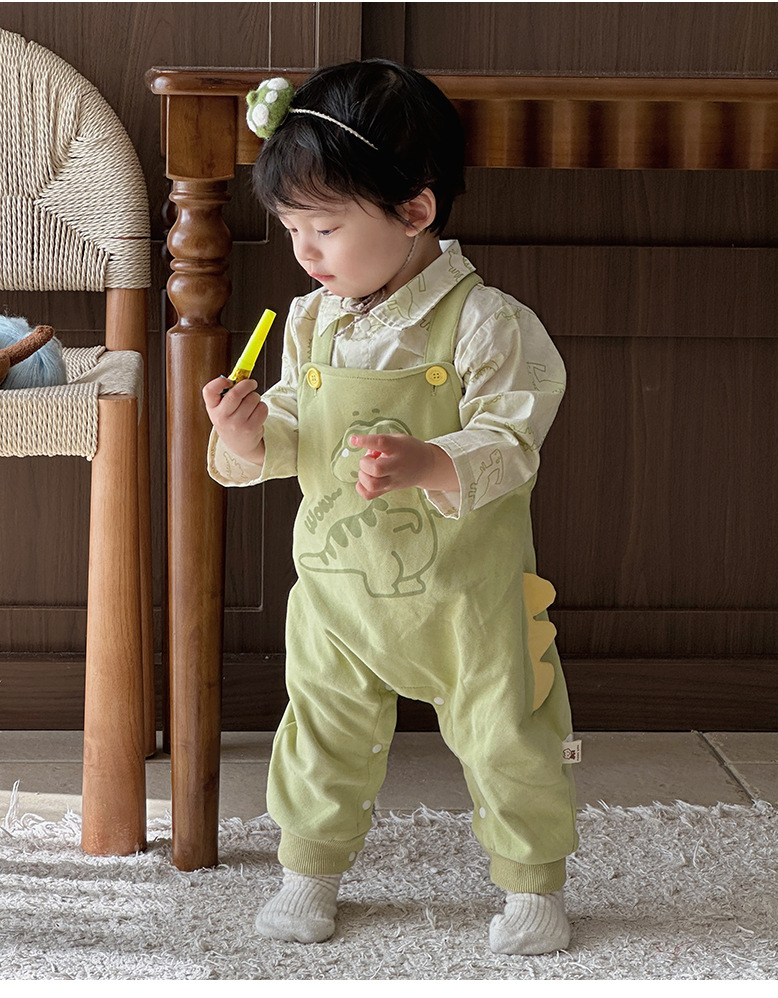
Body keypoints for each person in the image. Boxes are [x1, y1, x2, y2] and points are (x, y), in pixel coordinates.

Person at [202, 60, 578, 956]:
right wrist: (251, 434)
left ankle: (532, 886)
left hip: (469, 599)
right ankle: (309, 871)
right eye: (292, 229)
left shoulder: (488, 324)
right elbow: (294, 430)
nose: (305, 252)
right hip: (339, 594)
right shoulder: (311, 322)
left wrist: (432, 460)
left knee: (508, 734)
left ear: (415, 210)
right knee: (321, 732)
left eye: (326, 228)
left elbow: (513, 440)